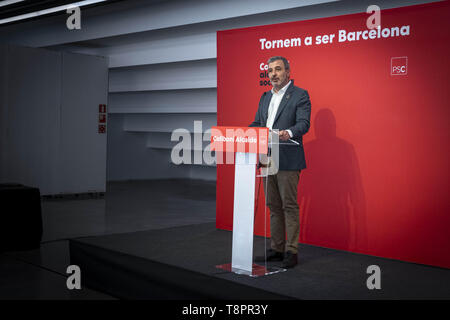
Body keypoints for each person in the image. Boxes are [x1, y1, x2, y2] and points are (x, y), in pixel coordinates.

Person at [249, 56, 311, 268]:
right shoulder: (265, 96)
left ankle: (291, 251)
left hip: (287, 156)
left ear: (287, 72)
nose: (273, 74)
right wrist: (243, 133)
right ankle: (277, 248)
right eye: (270, 71)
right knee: (273, 205)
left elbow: (304, 123)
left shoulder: (300, 95)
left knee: (289, 205)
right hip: (267, 156)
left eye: (278, 69)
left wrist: (289, 132)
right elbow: (258, 123)